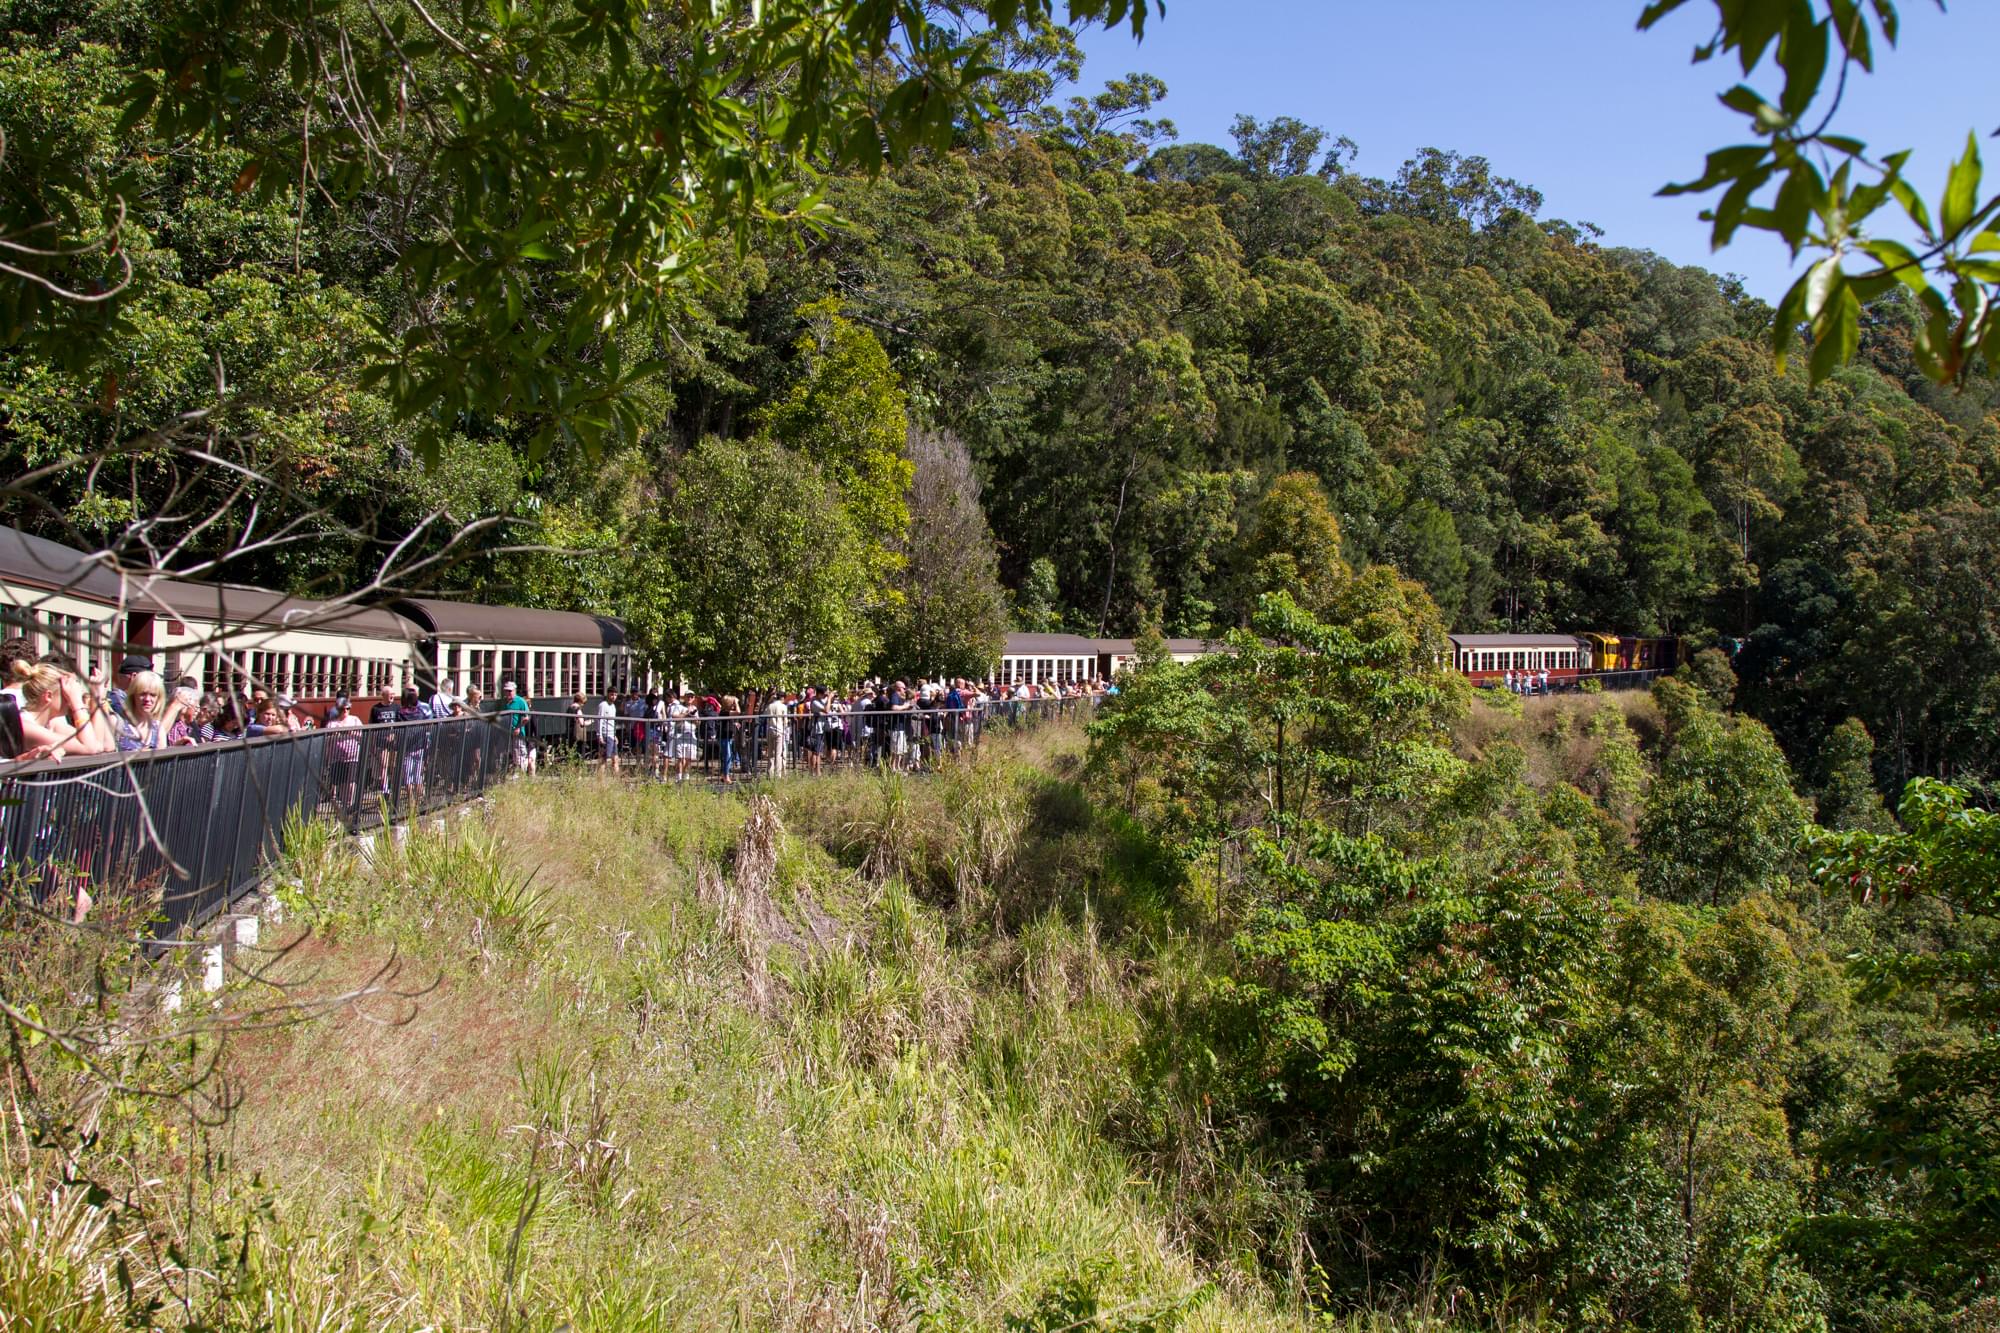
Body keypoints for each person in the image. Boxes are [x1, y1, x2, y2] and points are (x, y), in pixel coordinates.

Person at [114, 669, 173, 751]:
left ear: (158, 699)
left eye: (153, 695)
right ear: (133, 696)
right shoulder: (120, 725)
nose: (147, 699)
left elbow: (163, 762)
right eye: (142, 694)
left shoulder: (158, 729)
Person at [395, 685, 432, 803]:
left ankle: (411, 801)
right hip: (420, 745)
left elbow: (397, 729)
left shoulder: (401, 713)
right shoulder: (420, 712)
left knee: (408, 777)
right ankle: (420, 800)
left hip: (406, 747)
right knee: (418, 775)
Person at [325, 695, 363, 811]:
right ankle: (344, 806)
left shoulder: (355, 720)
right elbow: (326, 740)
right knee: (341, 784)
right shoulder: (332, 723)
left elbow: (362, 736)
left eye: (347, 708)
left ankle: (350, 805)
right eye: (342, 709)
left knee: (351, 783)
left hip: (352, 756)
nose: (345, 711)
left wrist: (352, 733)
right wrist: (334, 736)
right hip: (337, 758)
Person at [368, 692, 400, 795]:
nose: (392, 696)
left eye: (393, 695)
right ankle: (385, 789)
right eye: (390, 694)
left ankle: (395, 787)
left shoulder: (397, 707)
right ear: (384, 695)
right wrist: (372, 743)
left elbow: (401, 723)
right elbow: (371, 727)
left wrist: (395, 735)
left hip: (394, 742)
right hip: (381, 742)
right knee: (384, 765)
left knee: (394, 765)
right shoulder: (376, 709)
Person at [501, 680, 533, 773]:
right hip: (506, 733)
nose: (508, 693)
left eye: (510, 691)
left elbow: (526, 717)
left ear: (514, 691)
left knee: (519, 755)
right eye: (507, 691)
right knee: (508, 754)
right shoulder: (504, 702)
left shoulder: (520, 701)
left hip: (518, 733)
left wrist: (518, 727)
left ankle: (521, 775)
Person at [596, 690, 619, 773]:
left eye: (615, 695)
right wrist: (600, 735)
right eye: (612, 694)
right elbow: (600, 720)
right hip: (605, 734)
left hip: (611, 735)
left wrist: (614, 735)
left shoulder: (613, 706)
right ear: (608, 694)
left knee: (615, 759)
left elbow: (613, 722)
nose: (614, 697)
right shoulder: (603, 705)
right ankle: (600, 781)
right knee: (604, 760)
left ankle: (616, 780)